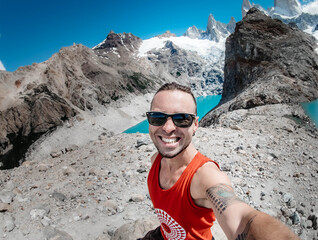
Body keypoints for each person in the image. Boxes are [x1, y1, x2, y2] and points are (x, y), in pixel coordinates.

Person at [138, 82, 300, 240]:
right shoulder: (156, 160)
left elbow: (240, 217)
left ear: (195, 125)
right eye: (157, 117)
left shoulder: (204, 176)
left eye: (181, 118)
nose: (167, 128)